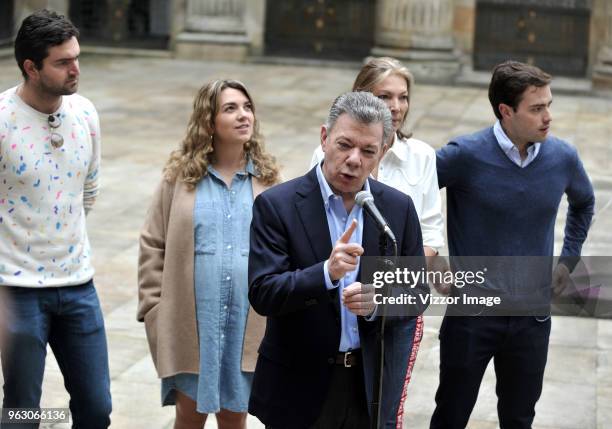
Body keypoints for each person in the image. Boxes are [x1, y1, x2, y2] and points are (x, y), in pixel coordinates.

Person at [248, 91, 428, 429]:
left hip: (367, 385)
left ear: (382, 153)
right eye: (344, 145)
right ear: (324, 137)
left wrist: (379, 302)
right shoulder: (278, 205)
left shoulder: (397, 209)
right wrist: (326, 274)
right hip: (299, 388)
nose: (354, 159)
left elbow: (418, 293)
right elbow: (263, 293)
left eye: (368, 151)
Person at [430, 61, 595, 428]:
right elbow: (411, 196)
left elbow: (584, 203)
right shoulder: (464, 155)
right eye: (537, 108)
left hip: (531, 316)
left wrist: (568, 260)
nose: (548, 117)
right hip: (471, 315)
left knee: (520, 418)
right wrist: (430, 256)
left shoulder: (562, 157)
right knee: (451, 414)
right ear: (506, 111)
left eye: (548, 105)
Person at [137, 79, 280, 429]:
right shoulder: (179, 179)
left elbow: (283, 252)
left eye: (247, 107)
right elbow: (153, 242)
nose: (243, 115)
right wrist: (154, 310)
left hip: (247, 325)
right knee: (188, 417)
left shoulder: (269, 182)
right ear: (208, 121)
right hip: (190, 323)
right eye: (230, 108)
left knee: (235, 417)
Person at [310, 56, 445, 425]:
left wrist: (392, 280)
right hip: (343, 298)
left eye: (403, 97)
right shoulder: (329, 154)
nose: (396, 107)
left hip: (396, 301)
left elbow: (431, 232)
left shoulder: (421, 157)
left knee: (386, 409)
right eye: (386, 96)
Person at [0, 9, 110, 429]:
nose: (75, 69)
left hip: (79, 285)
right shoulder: (3, 119)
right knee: (23, 412)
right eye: (63, 62)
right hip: (17, 291)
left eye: (76, 58)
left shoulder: (85, 113)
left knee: (96, 408)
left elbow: (89, 189)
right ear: (31, 67)